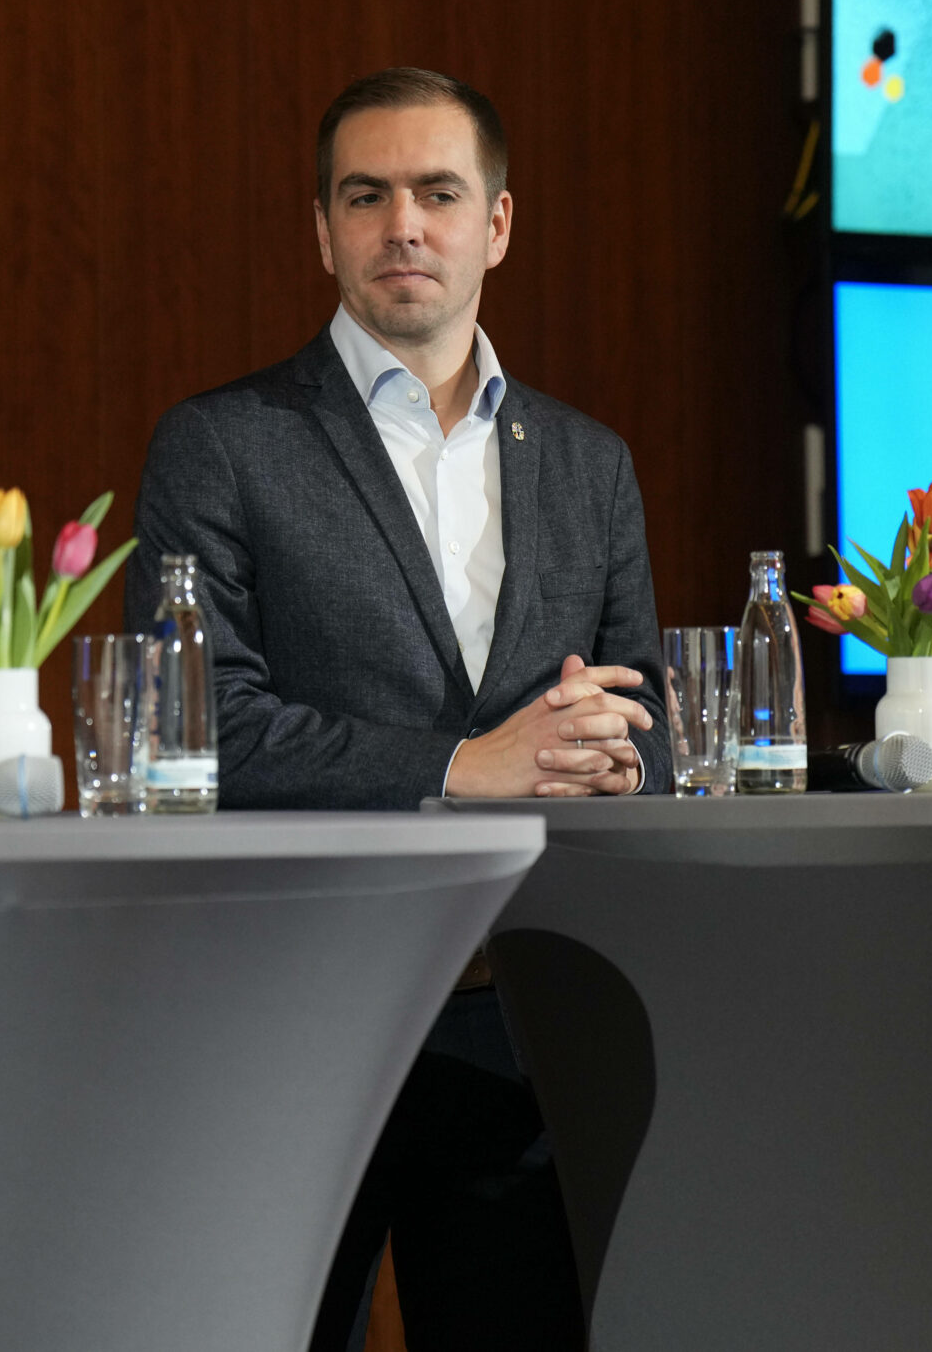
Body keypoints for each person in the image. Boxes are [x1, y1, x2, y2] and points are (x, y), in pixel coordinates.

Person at [125, 66, 669, 1351]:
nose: (402, 225)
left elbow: (644, 718)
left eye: (437, 192)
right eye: (365, 196)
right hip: (295, 1008)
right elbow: (201, 732)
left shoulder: (589, 465)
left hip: (522, 1019)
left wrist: (607, 755)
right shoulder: (222, 444)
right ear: (322, 230)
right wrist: (466, 764)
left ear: (498, 225)